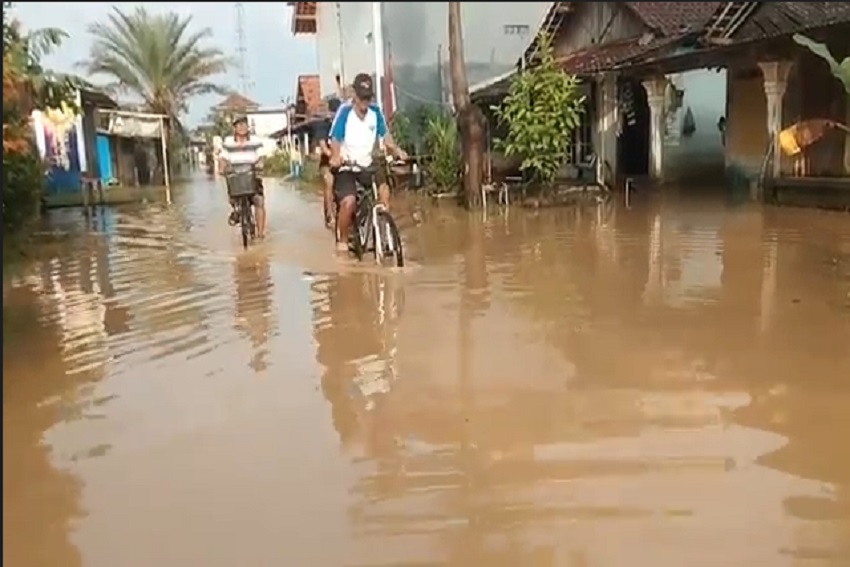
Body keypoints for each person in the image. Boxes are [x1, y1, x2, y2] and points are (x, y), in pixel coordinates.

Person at [329, 73, 408, 253]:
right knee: (348, 202)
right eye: (362, 98)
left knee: (384, 188)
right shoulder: (344, 112)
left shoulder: (375, 112)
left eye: (368, 98)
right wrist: (335, 156)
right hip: (347, 166)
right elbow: (335, 138)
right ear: (354, 96)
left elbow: (385, 136)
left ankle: (384, 226)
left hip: (368, 164)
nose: (365, 102)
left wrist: (397, 150)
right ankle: (341, 240)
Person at [218, 115, 267, 239]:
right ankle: (237, 212)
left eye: (244, 124)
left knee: (259, 201)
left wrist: (260, 164)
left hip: (252, 174)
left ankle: (260, 234)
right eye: (239, 125)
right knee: (233, 198)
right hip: (235, 176)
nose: (242, 127)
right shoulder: (228, 141)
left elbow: (261, 156)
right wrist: (221, 168)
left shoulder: (255, 140)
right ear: (234, 128)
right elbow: (223, 158)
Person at [314, 97, 342, 229]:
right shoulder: (323, 126)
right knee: (329, 181)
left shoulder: (345, 125)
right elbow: (323, 147)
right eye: (334, 112)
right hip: (327, 163)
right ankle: (330, 215)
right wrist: (334, 155)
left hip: (345, 160)